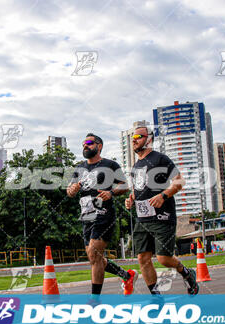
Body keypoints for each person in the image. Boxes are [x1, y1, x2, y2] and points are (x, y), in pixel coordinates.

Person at [125, 126, 199, 295]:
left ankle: (186, 273)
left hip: (162, 216)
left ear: (148, 139)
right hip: (142, 218)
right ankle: (155, 296)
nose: (134, 140)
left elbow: (179, 181)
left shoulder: (160, 159)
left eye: (138, 136)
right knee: (142, 258)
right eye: (132, 137)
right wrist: (130, 200)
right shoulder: (136, 166)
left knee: (163, 259)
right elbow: (137, 191)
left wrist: (163, 196)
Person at [67, 133, 138, 297]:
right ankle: (127, 276)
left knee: (94, 255)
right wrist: (72, 189)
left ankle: (95, 300)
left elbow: (125, 185)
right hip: (87, 216)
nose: (85, 145)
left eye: (90, 143)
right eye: (84, 143)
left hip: (104, 215)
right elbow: (69, 191)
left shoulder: (110, 164)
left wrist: (111, 192)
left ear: (99, 146)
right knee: (95, 258)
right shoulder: (79, 168)